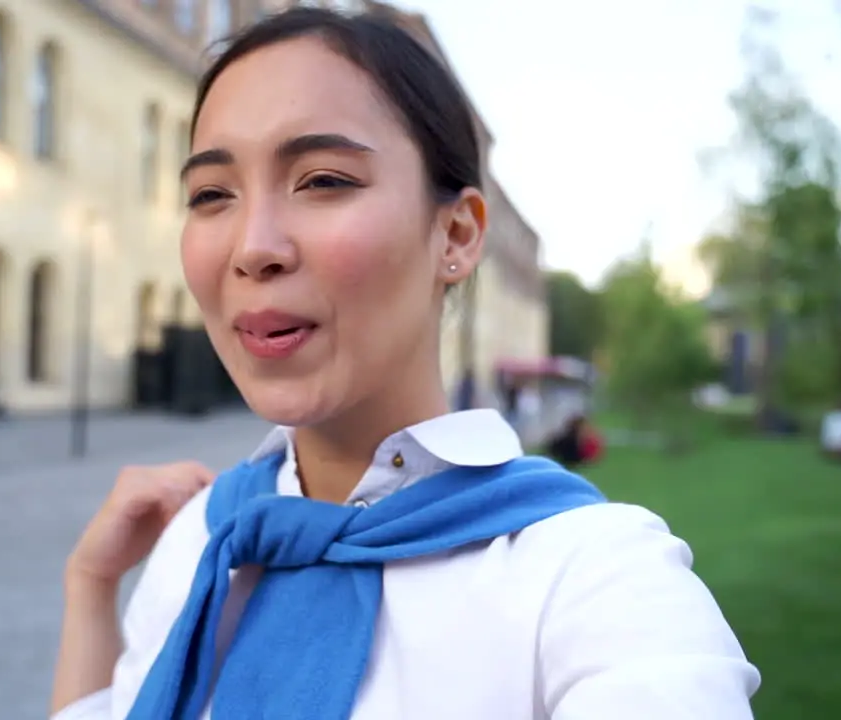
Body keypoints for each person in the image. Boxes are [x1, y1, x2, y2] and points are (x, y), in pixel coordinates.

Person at [50, 8, 759, 720]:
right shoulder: (197, 542)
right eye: (211, 195)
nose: (252, 246)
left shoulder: (592, 579)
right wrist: (90, 586)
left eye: (323, 180)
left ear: (455, 234)